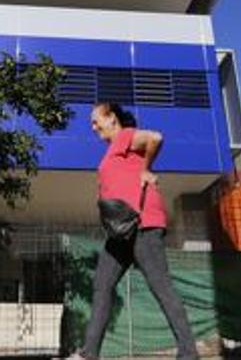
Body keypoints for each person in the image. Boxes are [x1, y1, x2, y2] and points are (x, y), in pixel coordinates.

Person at [68, 101, 199, 360]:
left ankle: (188, 352)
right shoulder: (111, 152)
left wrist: (147, 168)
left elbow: (155, 137)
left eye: (96, 120)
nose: (93, 127)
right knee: (102, 285)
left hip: (142, 223)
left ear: (112, 118)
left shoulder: (125, 136)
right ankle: (89, 353)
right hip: (120, 231)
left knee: (160, 286)